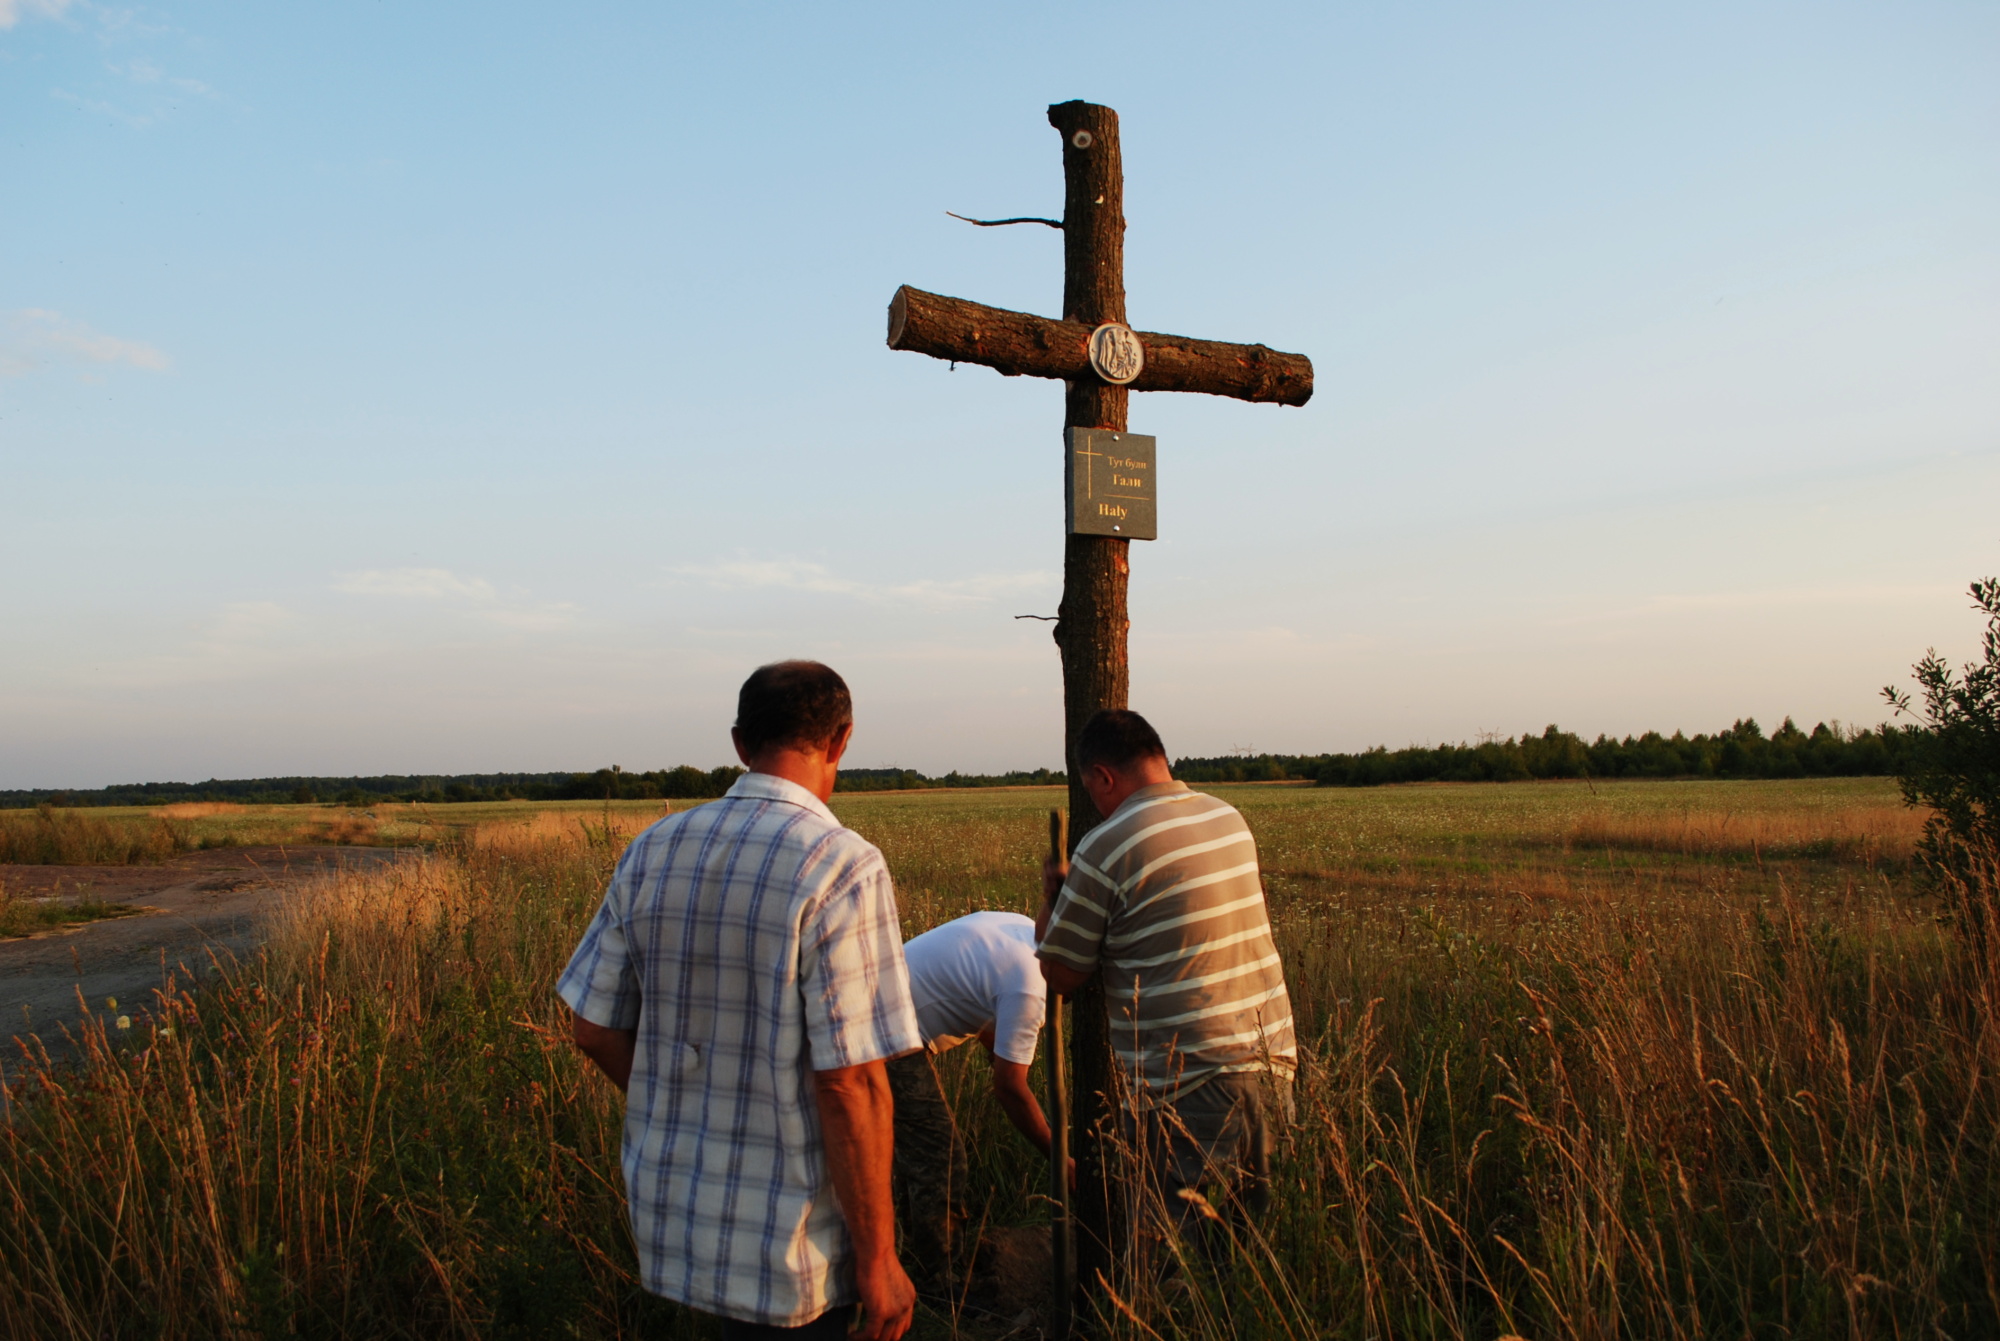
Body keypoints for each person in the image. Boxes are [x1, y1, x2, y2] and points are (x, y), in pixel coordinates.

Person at [558, 661, 923, 1341]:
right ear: (842, 741)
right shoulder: (842, 864)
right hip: (795, 1251)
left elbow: (591, 1028)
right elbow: (851, 1081)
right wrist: (878, 1260)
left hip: (679, 1226)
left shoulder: (652, 848)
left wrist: (680, 1103)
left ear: (738, 742)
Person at [1035, 709, 1296, 1257]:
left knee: (1175, 1261)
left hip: (1190, 1086)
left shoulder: (1107, 846)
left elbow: (1060, 974)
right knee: (1253, 1258)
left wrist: (1054, 899)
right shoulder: (1228, 817)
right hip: (1272, 1064)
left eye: (1093, 789)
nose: (1097, 803)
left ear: (1104, 777)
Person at [889, 910, 1064, 1288]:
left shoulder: (1020, 931)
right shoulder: (1032, 987)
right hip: (888, 1031)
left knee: (919, 1152)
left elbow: (984, 997)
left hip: (881, 1008)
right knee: (940, 1154)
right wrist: (1061, 1161)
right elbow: (1010, 1089)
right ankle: (941, 1281)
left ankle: (909, 1255)